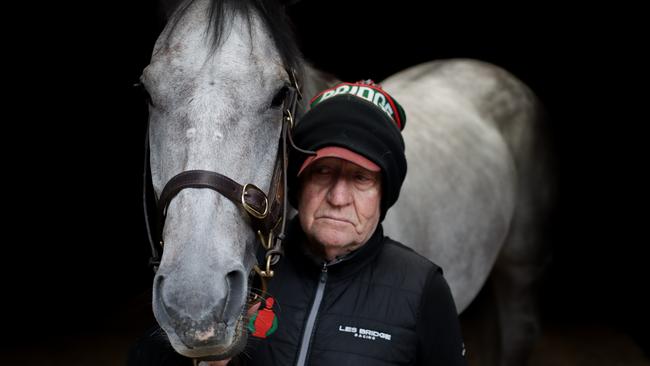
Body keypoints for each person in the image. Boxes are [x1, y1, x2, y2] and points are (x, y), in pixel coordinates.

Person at [129, 80, 467, 365]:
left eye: (361, 178)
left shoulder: (422, 288)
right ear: (297, 184)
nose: (338, 197)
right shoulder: (247, 268)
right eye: (322, 171)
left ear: (384, 193)